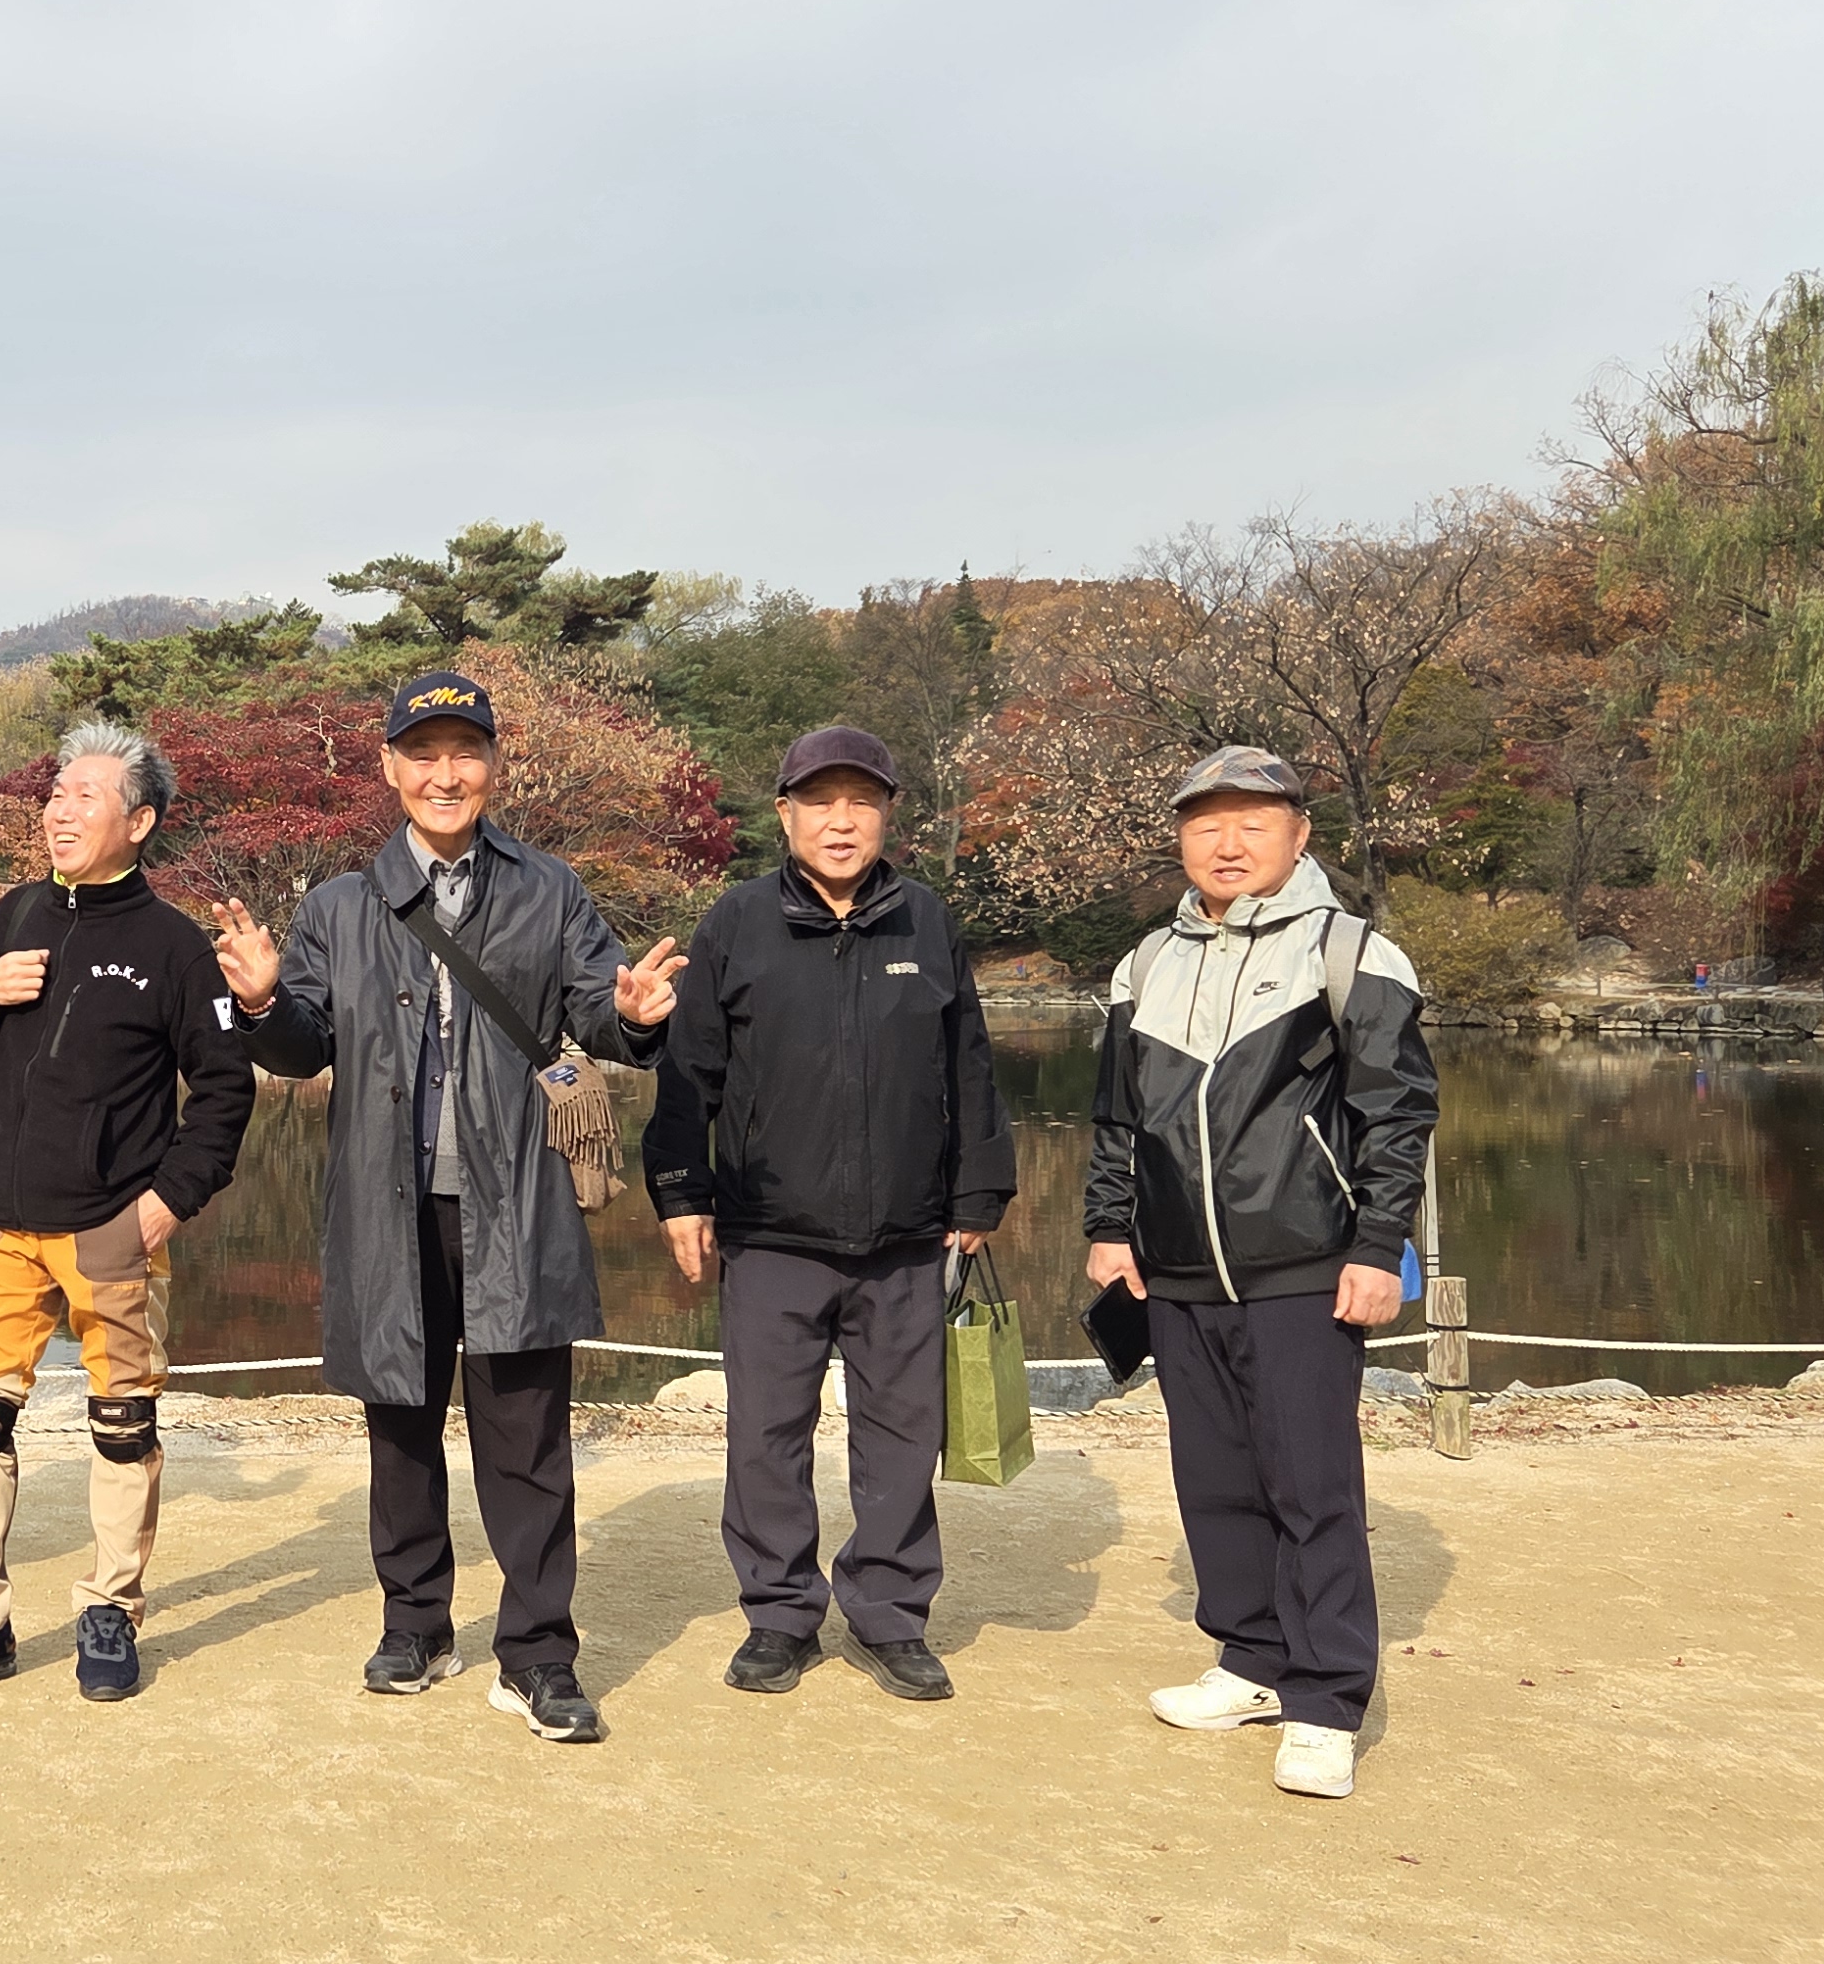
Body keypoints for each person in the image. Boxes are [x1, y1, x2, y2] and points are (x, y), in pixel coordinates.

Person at [215, 670, 688, 1744]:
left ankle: (539, 1653)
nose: (444, 773)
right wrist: (260, 1001)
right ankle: (415, 1622)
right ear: (388, 767)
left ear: (492, 765)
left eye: (464, 751)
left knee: (528, 1436)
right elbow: (301, 1048)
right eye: (421, 753)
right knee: (400, 1421)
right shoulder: (341, 905)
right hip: (388, 1204)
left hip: (513, 1197)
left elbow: (596, 1007)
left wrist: (633, 1016)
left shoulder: (548, 889)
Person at [1085, 745, 1435, 1800]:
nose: (1227, 843)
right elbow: (1117, 1117)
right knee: (1216, 1481)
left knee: (1311, 1485)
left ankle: (1326, 1698)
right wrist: (1110, 1228)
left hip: (1304, 1265)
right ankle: (1250, 1660)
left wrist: (1378, 1247)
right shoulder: (1146, 962)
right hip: (1176, 1270)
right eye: (1206, 823)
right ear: (1181, 837)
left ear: (1299, 833)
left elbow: (1397, 1116)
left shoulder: (1351, 953)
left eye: (1253, 821)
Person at [644, 725, 1015, 1705]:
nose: (840, 820)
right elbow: (689, 1073)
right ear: (785, 814)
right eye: (819, 801)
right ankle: (779, 1614)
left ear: (887, 813)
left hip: (907, 1232)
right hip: (769, 1230)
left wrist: (979, 1189)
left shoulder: (924, 921)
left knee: (901, 1433)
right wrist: (681, 1190)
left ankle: (890, 1616)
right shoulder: (737, 923)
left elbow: (969, 1065)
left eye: (861, 801)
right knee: (766, 1433)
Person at [0, 722, 254, 1707]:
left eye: (85, 795)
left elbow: (224, 1091)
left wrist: (163, 1206)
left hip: (112, 1226)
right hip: (4, 1224)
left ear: (138, 822)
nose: (60, 808)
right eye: (57, 792)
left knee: (122, 1420)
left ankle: (110, 1609)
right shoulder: (14, 911)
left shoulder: (174, 946)